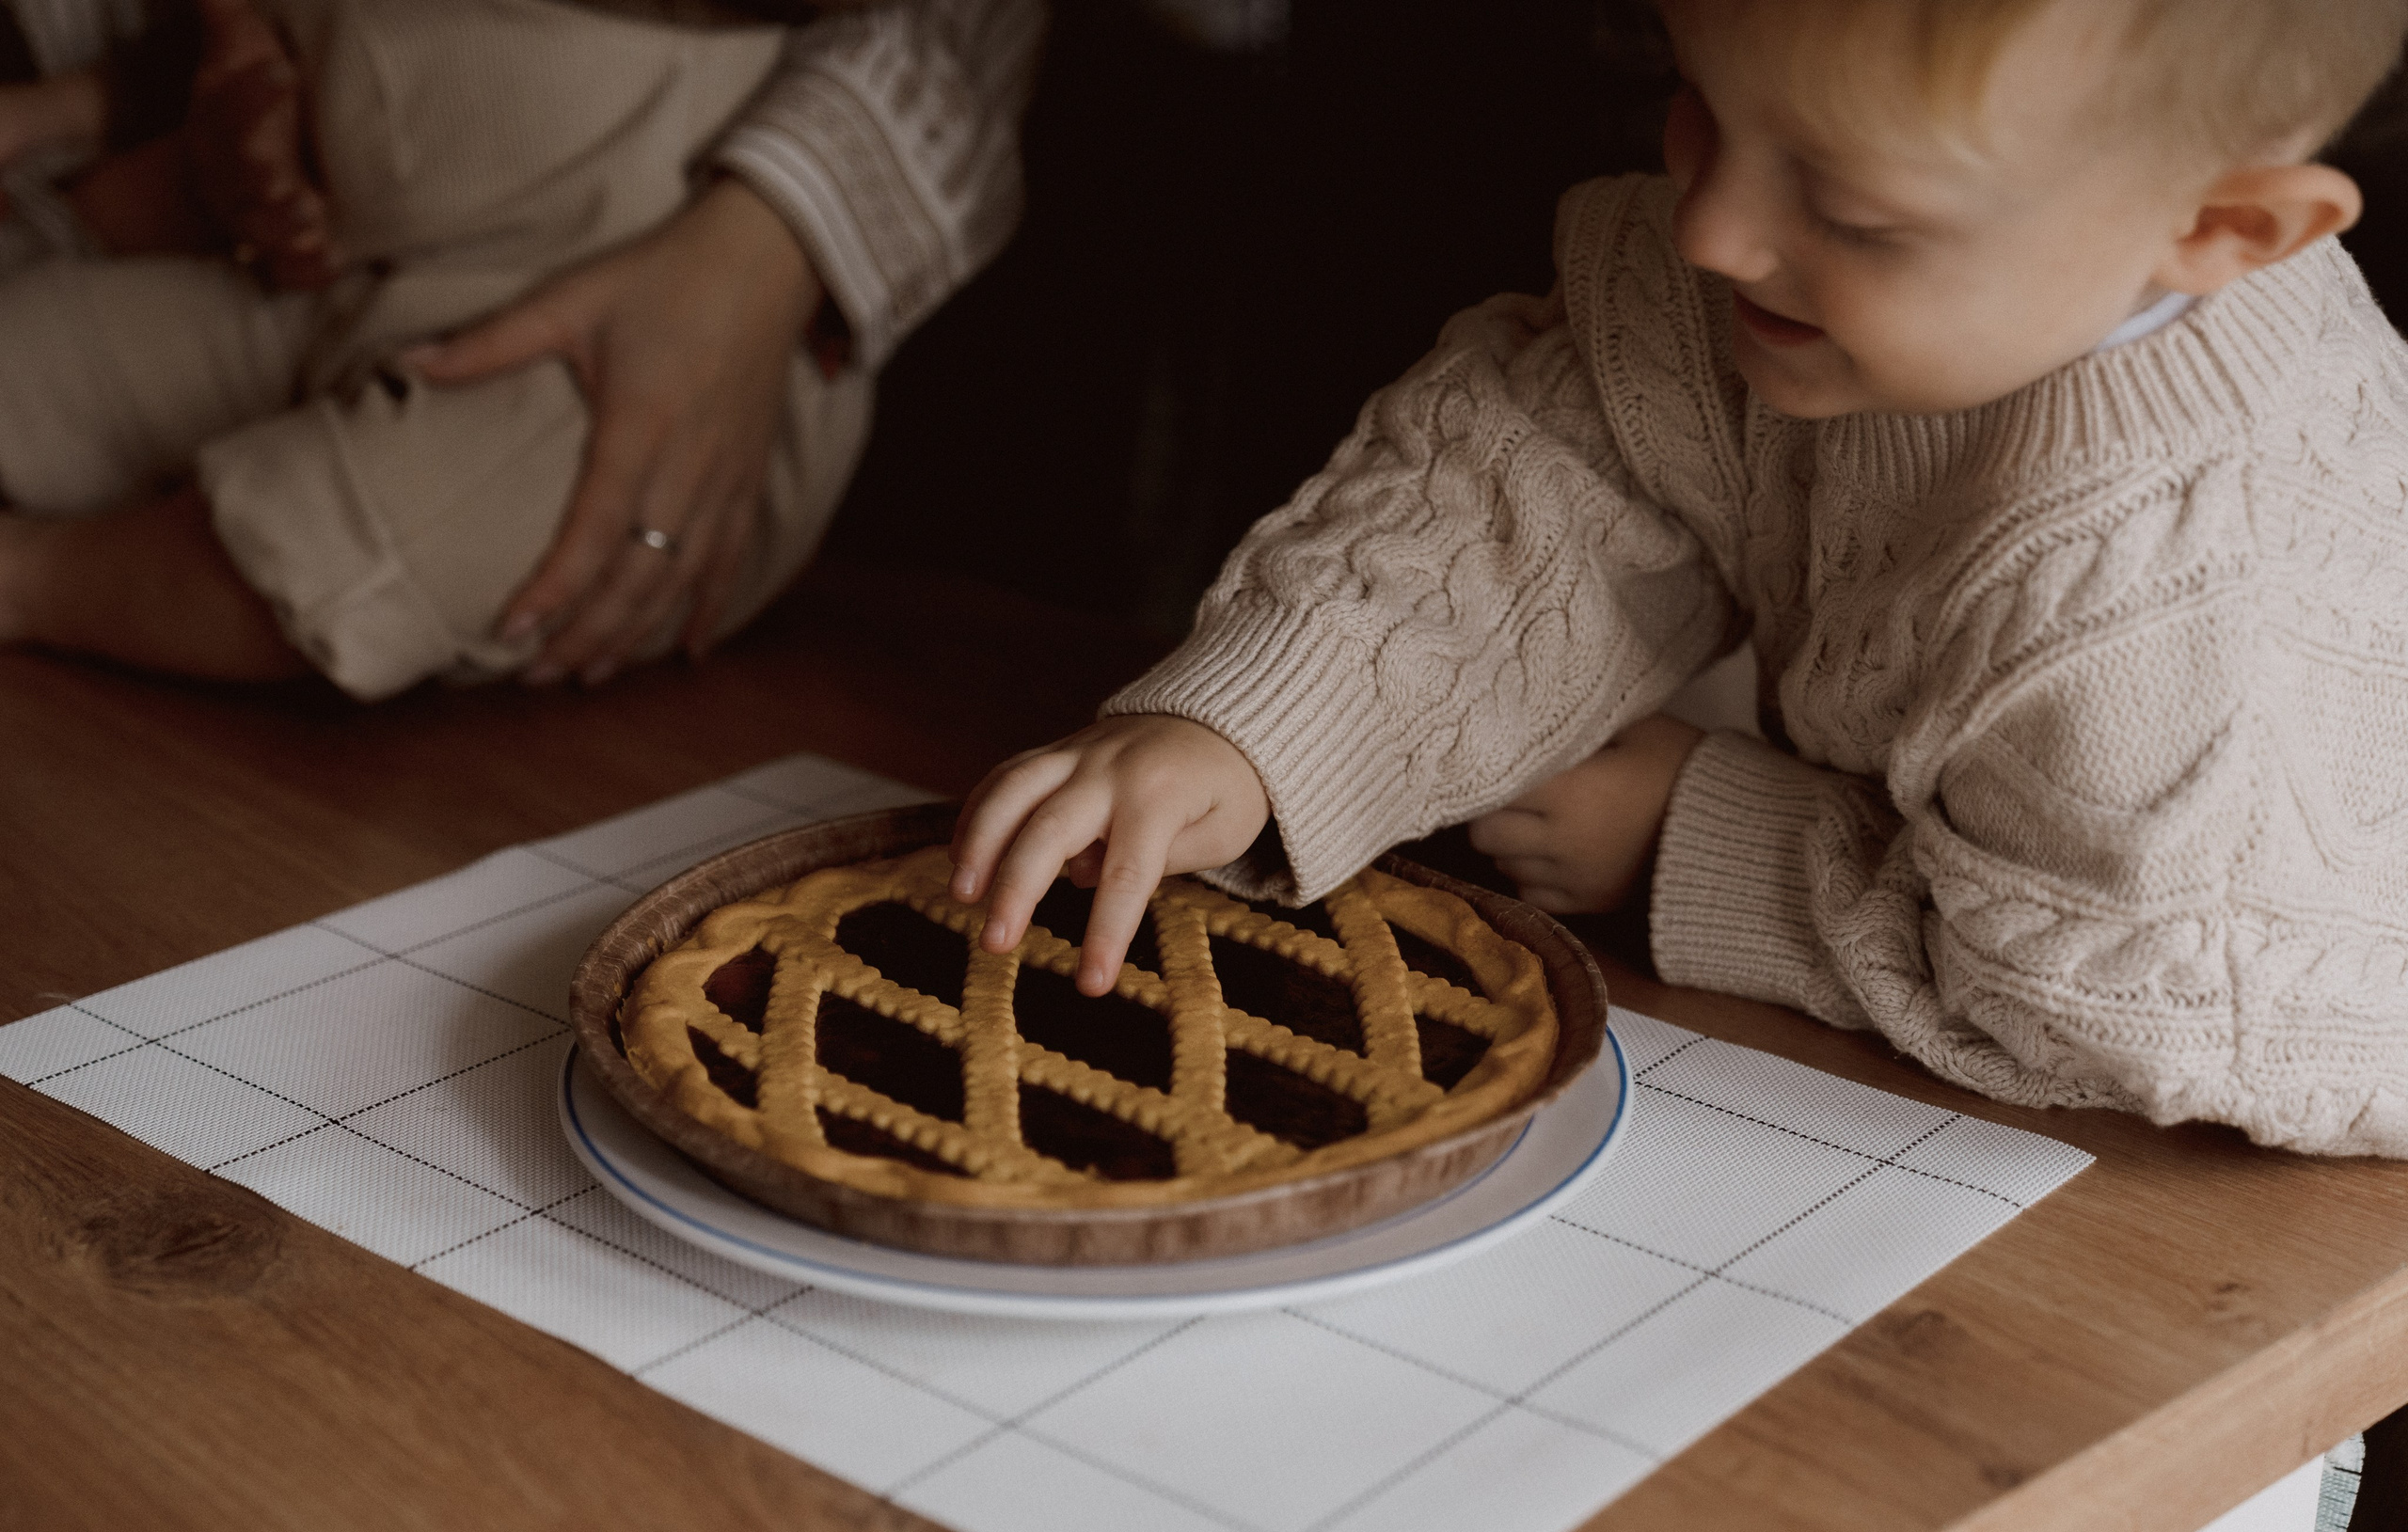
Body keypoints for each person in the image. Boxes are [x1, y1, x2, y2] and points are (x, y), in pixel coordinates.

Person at [947, 0, 2408, 1159]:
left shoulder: (2195, 627)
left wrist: (1699, 836)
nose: (1709, 226)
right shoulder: (1819, 259)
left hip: (2239, 1116)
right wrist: (1257, 727)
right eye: (1699, 97)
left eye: (1855, 211)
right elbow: (1549, 468)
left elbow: (2107, 1005)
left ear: (2221, 233)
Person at [0, 0, 1039, 695]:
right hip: (288, 221)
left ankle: (36, 576)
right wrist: (219, 45)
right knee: (42, 358)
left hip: (678, 262)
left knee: (442, 535)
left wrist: (776, 233)